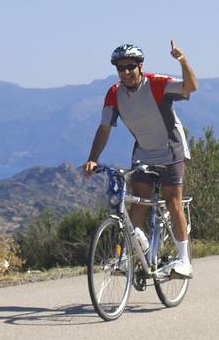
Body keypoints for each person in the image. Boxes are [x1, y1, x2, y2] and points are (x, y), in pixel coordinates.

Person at [82, 40, 198, 276]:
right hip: (144, 152)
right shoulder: (114, 94)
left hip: (171, 150)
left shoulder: (157, 84)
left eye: (130, 67)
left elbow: (190, 87)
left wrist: (183, 60)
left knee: (172, 202)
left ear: (140, 66)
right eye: (120, 68)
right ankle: (127, 257)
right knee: (137, 202)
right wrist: (92, 158)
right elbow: (104, 128)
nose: (126, 72)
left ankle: (184, 261)